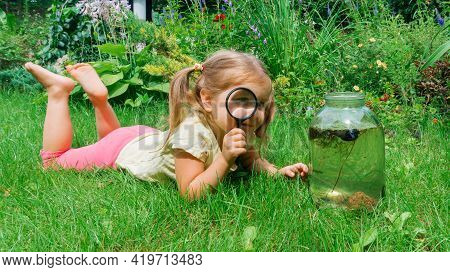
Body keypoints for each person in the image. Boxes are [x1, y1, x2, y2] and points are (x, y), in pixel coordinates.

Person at [25, 50, 308, 200]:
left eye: (260, 104)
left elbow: (250, 159)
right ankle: (59, 91)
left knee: (111, 137)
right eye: (243, 100)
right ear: (207, 100)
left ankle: (100, 98)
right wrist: (223, 158)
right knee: (54, 162)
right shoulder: (191, 136)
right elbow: (190, 192)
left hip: (141, 138)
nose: (254, 113)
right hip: (122, 148)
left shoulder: (235, 126)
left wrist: (275, 171)